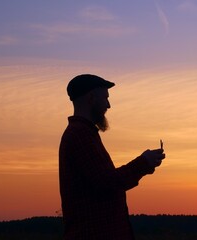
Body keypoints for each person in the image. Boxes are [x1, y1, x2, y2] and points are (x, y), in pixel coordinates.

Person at [59, 74, 165, 240]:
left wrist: (145, 164)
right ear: (91, 98)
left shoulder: (84, 133)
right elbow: (108, 182)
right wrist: (143, 163)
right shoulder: (80, 135)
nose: (108, 105)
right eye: (105, 98)